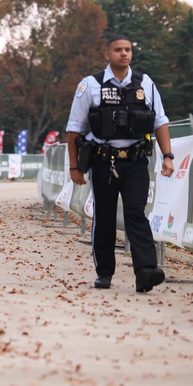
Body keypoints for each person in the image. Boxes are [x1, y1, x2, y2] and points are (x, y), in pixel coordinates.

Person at [65, 33, 174, 293]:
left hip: (136, 161)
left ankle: (146, 272)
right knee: (104, 214)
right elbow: (74, 130)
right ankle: (104, 272)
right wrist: (74, 167)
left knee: (136, 213)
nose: (123, 54)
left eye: (127, 49)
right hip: (103, 161)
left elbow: (160, 121)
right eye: (118, 50)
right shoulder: (90, 85)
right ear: (107, 54)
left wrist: (168, 156)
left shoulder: (145, 83)